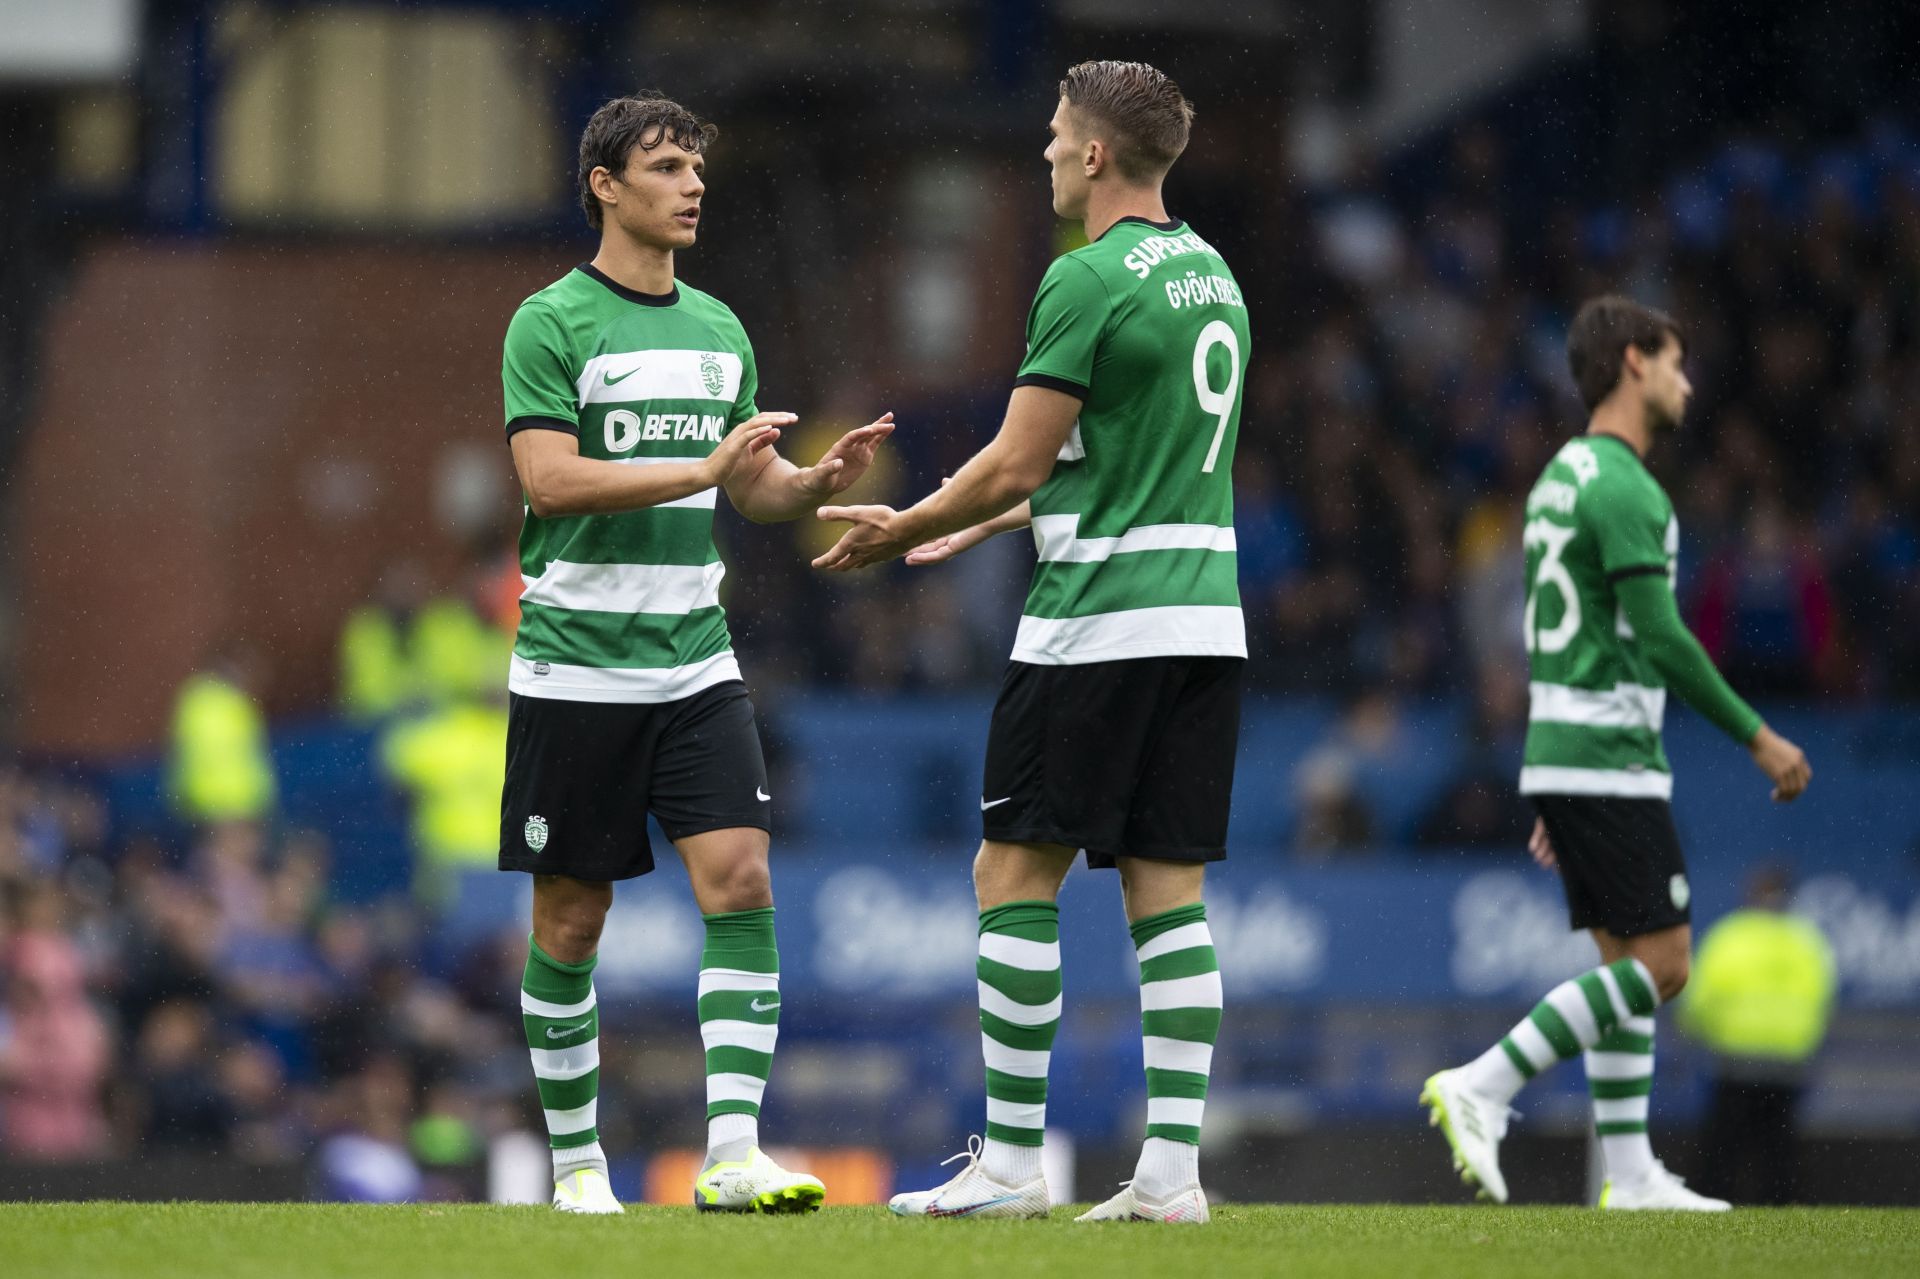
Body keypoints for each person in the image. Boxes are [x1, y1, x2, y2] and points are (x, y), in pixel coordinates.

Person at [814, 61, 1247, 1224]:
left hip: (1097, 624)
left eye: (1059, 137)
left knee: (1012, 873)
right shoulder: (1212, 276)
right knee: (1168, 895)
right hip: (1206, 623)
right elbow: (1107, 463)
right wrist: (994, 517)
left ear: (1098, 155)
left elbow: (1020, 455)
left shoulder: (1086, 279)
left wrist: (907, 523)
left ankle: (1010, 1164)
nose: (1049, 154)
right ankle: (1171, 1176)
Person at [498, 92, 893, 1215]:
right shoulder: (551, 322)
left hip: (694, 659)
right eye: (667, 166)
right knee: (572, 922)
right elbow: (550, 481)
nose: (692, 184)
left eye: (697, 168)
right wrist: (706, 470)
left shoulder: (720, 328)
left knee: (742, 878)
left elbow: (748, 481)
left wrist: (809, 486)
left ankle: (732, 1151)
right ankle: (578, 1167)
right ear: (605, 186)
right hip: (576, 667)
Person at [1421, 296, 1813, 1211]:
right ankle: (1483, 1082)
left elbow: (1565, 628)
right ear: (1634, 362)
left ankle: (1630, 1174)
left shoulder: (1561, 476)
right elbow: (1662, 636)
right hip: (1605, 750)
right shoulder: (1626, 486)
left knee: (1623, 970)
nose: (1687, 381)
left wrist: (1557, 785)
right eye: (1676, 362)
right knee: (1666, 963)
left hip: (1568, 746)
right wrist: (1758, 735)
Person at [1681, 863, 1836, 1204]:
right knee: (1778, 1149)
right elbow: (1822, 999)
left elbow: (1700, 998)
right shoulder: (1806, 941)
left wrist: (1697, 1033)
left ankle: (1711, 1203)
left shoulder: (1731, 936)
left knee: (1723, 1147)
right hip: (1787, 1063)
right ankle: (1779, 1207)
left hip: (1736, 1060)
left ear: (1751, 895)